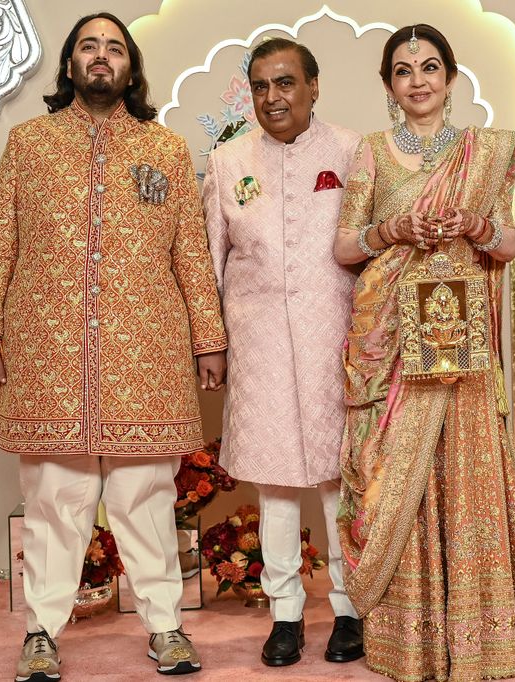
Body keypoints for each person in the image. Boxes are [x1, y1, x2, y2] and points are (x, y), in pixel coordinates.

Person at [0, 13, 226, 680]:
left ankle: (165, 627)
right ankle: (42, 632)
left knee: (144, 499)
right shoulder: (29, 144)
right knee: (55, 501)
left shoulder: (162, 150)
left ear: (130, 68)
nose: (101, 57)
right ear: (70, 65)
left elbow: (190, 252)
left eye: (114, 48)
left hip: (146, 352)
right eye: (88, 47)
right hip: (49, 352)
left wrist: (209, 339)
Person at [333, 24, 515, 681]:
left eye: (431, 67)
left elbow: (508, 244)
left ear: (451, 78)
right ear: (387, 86)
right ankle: (409, 636)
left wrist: (478, 226)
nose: (419, 80)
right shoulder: (371, 153)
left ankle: (479, 634)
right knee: (395, 477)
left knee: (465, 473)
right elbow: (346, 248)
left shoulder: (483, 151)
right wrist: (393, 228)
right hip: (395, 345)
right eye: (404, 71)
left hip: (462, 341)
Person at [201, 37, 364, 667]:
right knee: (274, 486)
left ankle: (350, 610)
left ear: (314, 86)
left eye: (287, 83)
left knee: (339, 481)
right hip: (260, 342)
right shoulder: (227, 160)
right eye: (262, 86)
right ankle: (286, 616)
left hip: (339, 341)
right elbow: (209, 261)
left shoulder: (352, 151)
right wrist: (210, 344)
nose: (273, 97)